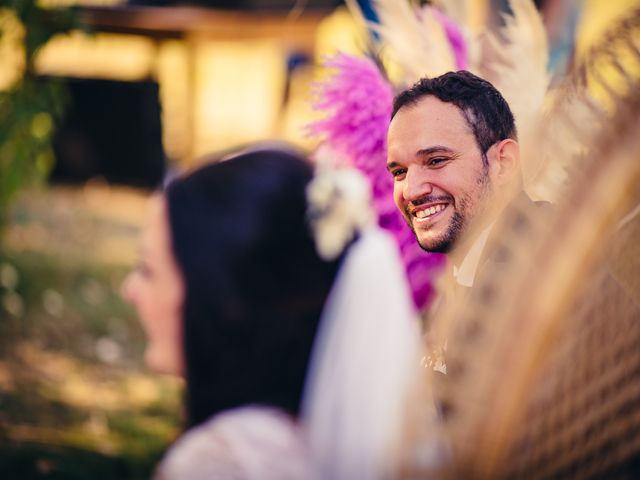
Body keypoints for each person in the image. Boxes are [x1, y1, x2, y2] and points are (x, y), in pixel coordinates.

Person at [122, 145, 421, 479]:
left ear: (223, 300)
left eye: (148, 270)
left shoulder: (220, 463)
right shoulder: (325, 440)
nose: (130, 291)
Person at [386, 70, 530, 289]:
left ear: (503, 162)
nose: (411, 191)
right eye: (399, 172)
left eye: (436, 161)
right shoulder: (469, 279)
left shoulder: (556, 266)